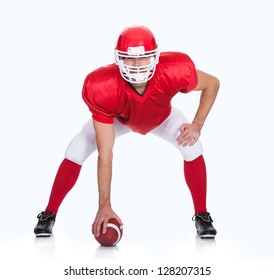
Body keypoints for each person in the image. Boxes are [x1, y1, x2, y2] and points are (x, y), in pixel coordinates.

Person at [34, 25, 220, 240]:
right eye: (129, 58)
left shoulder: (175, 69)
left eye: (144, 57)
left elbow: (212, 83)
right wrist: (105, 205)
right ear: (118, 59)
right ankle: (49, 213)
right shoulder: (101, 86)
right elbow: (106, 153)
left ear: (155, 56)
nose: (137, 64)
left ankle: (202, 214)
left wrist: (197, 124)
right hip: (118, 118)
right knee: (75, 149)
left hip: (161, 117)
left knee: (193, 147)